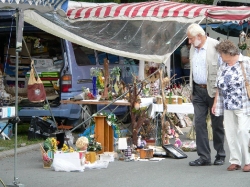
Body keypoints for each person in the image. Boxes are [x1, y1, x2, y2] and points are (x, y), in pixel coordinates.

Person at [187, 23, 226, 166]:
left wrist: (219, 93)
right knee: (199, 123)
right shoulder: (193, 48)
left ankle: (220, 154)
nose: (189, 42)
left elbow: (223, 70)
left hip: (214, 91)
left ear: (199, 36)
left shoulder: (216, 46)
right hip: (197, 90)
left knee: (217, 124)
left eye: (191, 38)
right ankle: (204, 156)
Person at [212, 40, 250, 172]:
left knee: (243, 131)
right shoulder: (223, 65)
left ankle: (248, 160)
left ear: (228, 53)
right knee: (230, 132)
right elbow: (218, 84)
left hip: (243, 103)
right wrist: (216, 101)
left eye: (221, 54)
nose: (220, 57)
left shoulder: (245, 62)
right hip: (227, 104)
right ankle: (235, 160)